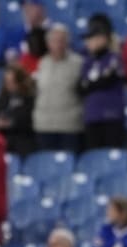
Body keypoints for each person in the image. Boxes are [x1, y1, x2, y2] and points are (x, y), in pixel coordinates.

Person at [32, 24, 84, 152]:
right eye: (54, 41)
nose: (58, 44)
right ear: (48, 43)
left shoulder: (79, 63)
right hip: (44, 125)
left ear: (68, 42)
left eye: (62, 40)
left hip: (69, 126)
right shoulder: (42, 63)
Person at [79, 14, 127, 151]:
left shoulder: (114, 58)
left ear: (103, 38)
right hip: (92, 116)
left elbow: (107, 81)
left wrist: (91, 84)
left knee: (113, 154)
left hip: (112, 116)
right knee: (94, 157)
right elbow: (80, 87)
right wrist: (94, 83)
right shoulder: (87, 61)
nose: (87, 43)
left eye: (91, 38)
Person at [0, 65, 37, 157]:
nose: (9, 85)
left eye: (12, 82)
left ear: (20, 82)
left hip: (23, 143)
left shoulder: (29, 99)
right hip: (3, 142)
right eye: (7, 82)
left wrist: (11, 123)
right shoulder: (1, 99)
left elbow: (30, 121)